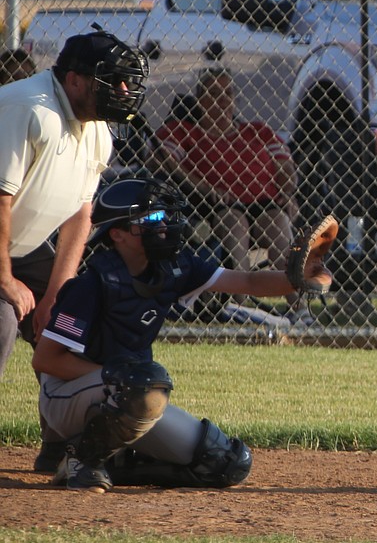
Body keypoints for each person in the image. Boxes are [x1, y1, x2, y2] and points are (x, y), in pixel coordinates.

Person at [33, 176, 323, 492]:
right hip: (68, 395)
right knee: (142, 382)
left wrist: (298, 278)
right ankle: (82, 460)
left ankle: (113, 462)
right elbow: (46, 360)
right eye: (152, 218)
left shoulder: (174, 267)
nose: (163, 225)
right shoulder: (92, 284)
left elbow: (249, 283)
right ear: (118, 234)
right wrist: (115, 376)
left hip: (130, 394)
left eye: (165, 216)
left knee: (224, 463)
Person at [0, 28, 148, 473]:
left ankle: (65, 442)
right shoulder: (26, 106)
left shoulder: (97, 129)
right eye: (113, 81)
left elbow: (79, 215)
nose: (123, 92)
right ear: (76, 80)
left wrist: (58, 296)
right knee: (1, 319)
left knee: (80, 319)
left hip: (21, 244)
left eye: (127, 82)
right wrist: (5, 280)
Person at [152, 67, 307, 322]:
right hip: (218, 205)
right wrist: (204, 188)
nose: (222, 100)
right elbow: (161, 161)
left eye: (227, 93)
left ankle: (301, 311)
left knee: (279, 226)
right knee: (237, 224)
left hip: (264, 202)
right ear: (200, 100)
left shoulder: (257, 131)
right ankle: (240, 307)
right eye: (214, 94)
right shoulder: (185, 130)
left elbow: (286, 168)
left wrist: (287, 192)